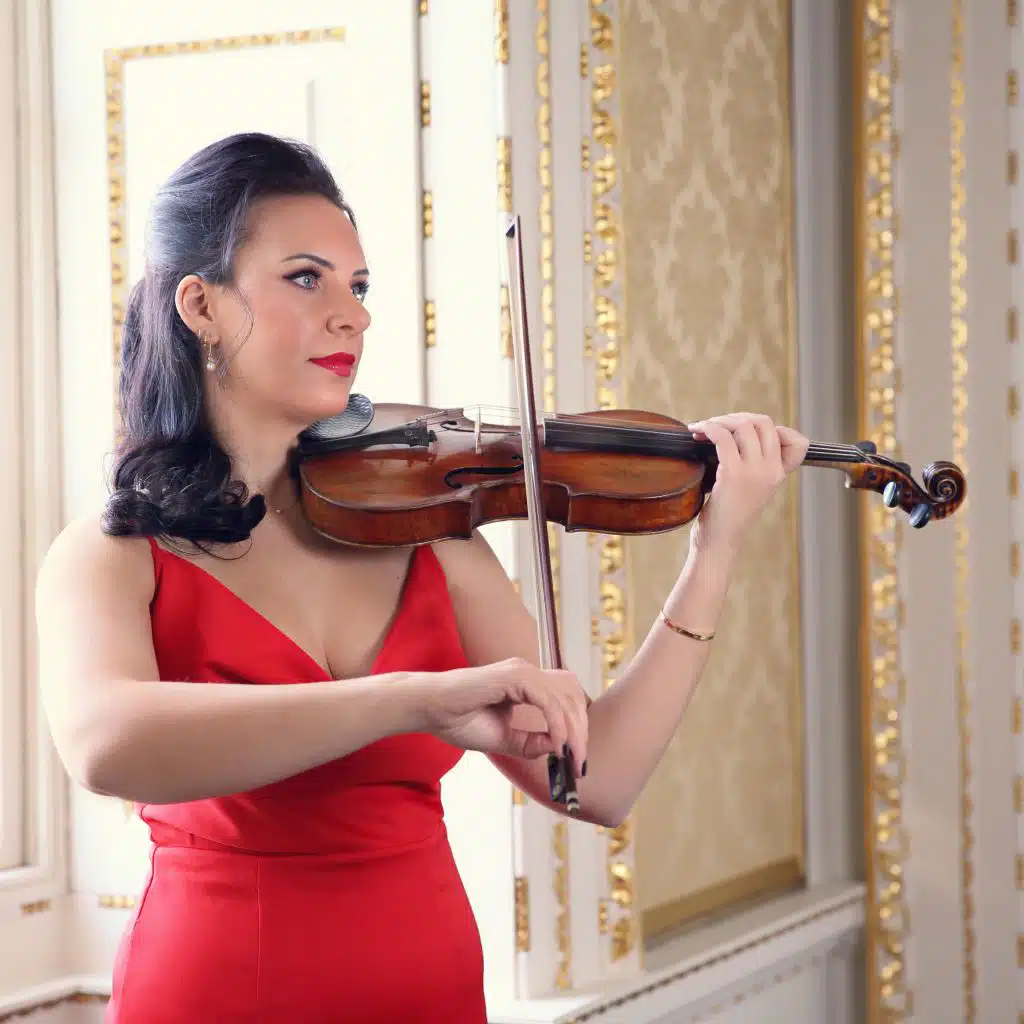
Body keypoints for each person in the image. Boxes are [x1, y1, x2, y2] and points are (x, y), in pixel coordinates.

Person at [34, 132, 810, 1023]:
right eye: (306, 278)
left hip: (428, 990)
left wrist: (714, 552)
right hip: (217, 988)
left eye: (359, 288)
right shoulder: (111, 554)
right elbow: (105, 744)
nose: (352, 317)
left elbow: (599, 782)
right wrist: (414, 701)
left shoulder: (431, 535)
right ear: (200, 303)